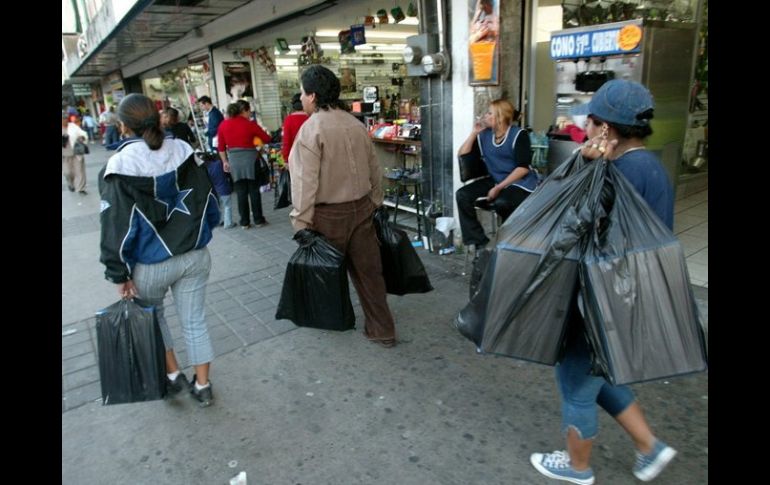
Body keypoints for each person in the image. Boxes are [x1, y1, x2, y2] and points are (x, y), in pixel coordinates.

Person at [529, 80, 676, 484]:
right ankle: (650, 447)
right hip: (632, 294)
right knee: (598, 373)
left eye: (591, 121)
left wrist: (588, 168)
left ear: (606, 128)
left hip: (602, 297)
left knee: (576, 381)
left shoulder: (616, 173)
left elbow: (579, 224)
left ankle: (578, 468)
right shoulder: (652, 166)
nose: (587, 129)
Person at [97, 93, 221, 408]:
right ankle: (203, 386)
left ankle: (173, 376)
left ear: (123, 126)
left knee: (157, 318)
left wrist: (118, 273)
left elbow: (115, 226)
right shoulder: (183, 149)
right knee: (194, 320)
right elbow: (209, 198)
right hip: (195, 255)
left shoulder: (118, 165)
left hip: (150, 263)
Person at [289, 65, 397, 348]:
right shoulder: (355, 123)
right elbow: (376, 168)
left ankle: (339, 320)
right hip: (362, 210)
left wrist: (300, 222)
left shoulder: (310, 129)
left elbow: (304, 182)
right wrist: (375, 202)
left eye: (302, 93)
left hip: (327, 216)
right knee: (369, 275)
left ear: (312, 96)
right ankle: (382, 329)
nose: (301, 98)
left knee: (327, 274)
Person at [455, 99, 539, 250]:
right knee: (462, 195)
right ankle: (481, 242)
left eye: (489, 113)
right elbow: (462, 153)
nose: (485, 116)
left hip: (520, 182)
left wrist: (499, 188)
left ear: (499, 117)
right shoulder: (485, 135)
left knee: (503, 203)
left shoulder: (519, 135)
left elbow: (523, 168)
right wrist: (474, 133)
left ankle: (508, 243)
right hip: (495, 179)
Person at [216, 101, 272, 228]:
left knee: (241, 191)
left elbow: (220, 147)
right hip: (251, 160)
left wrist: (225, 161)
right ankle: (258, 220)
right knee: (253, 190)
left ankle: (244, 222)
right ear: (242, 111)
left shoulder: (223, 125)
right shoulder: (250, 124)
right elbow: (267, 139)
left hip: (234, 161)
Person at [281, 93, 310, 166]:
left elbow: (286, 141)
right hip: (310, 156)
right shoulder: (310, 118)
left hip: (294, 157)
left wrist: (286, 159)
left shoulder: (288, 120)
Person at [62, 115, 89, 194]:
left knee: (80, 171)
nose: (64, 121)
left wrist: (82, 137)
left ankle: (81, 188)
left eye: (65, 119)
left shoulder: (73, 126)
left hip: (77, 153)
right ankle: (70, 183)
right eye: (63, 119)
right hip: (64, 155)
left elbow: (83, 133)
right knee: (67, 172)